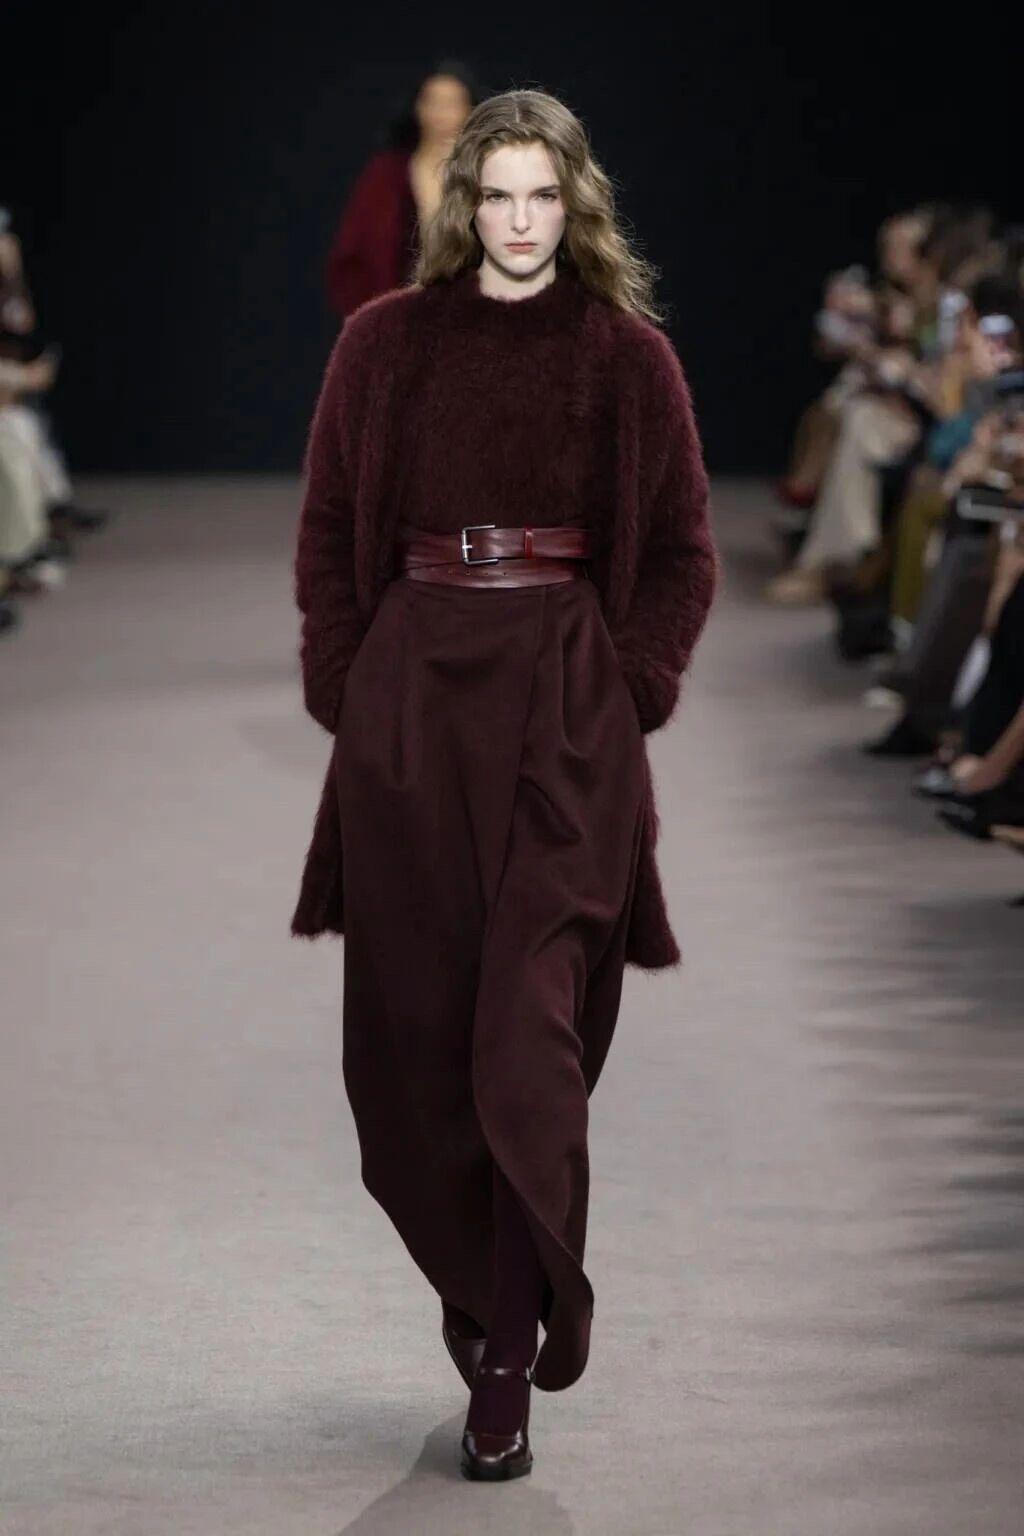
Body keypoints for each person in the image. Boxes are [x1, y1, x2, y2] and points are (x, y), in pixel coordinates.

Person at [291, 87, 718, 1481]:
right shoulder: (385, 344)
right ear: (463, 204)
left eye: (543, 195)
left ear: (575, 202)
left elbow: (681, 549)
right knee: (415, 1047)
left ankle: (509, 1359)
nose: (521, 221)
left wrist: (632, 686)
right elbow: (330, 527)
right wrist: (348, 687)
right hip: (417, 696)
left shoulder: (626, 356)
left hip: (565, 704)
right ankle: (481, 1286)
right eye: (498, 195)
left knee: (532, 1035)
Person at [324, 61, 479, 319]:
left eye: (452, 103)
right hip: (396, 319)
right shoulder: (385, 175)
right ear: (417, 108)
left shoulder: (486, 174)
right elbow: (350, 258)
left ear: (470, 111)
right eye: (432, 102)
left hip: (470, 317)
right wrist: (371, 316)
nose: (441, 114)